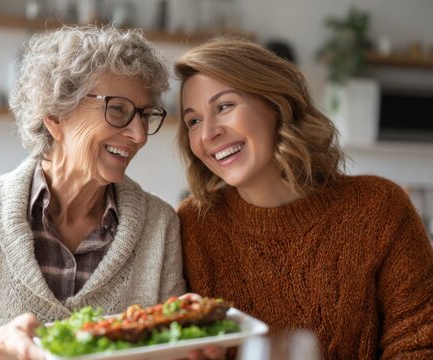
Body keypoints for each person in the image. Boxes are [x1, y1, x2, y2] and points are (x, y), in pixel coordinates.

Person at [0, 25, 186, 359]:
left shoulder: (160, 226)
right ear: (55, 115)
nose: (139, 134)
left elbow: (175, 348)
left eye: (145, 115)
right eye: (118, 109)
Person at [174, 38, 433, 359]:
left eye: (224, 106)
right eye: (193, 121)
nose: (208, 133)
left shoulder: (380, 208)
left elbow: (419, 345)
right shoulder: (193, 225)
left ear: (276, 104)